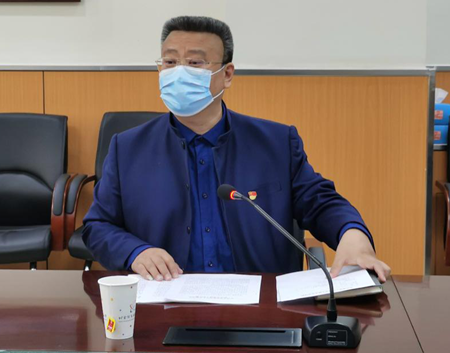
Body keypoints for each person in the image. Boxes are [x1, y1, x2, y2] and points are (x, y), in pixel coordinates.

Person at [82, 16, 391, 283]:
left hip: (262, 305)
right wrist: (136, 252)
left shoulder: (276, 143)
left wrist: (353, 234)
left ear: (227, 74)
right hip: (164, 303)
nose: (179, 72)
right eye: (170, 62)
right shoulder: (128, 148)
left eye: (195, 63)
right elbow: (98, 226)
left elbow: (320, 202)